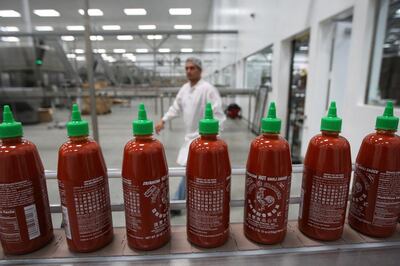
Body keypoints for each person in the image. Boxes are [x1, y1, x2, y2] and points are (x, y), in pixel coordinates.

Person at [155, 57, 226, 215]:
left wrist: (214, 138)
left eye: (192, 68)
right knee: (193, 170)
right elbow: (176, 107)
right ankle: (190, 199)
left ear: (200, 70)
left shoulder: (208, 89)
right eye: (186, 68)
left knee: (189, 170)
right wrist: (163, 120)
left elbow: (219, 115)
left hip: (204, 138)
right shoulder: (185, 89)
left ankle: (175, 204)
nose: (189, 71)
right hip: (190, 137)